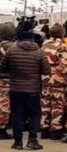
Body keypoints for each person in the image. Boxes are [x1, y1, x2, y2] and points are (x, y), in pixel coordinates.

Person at [1, 19, 50, 150]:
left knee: (17, 114)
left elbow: (3, 69)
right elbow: (46, 70)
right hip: (33, 89)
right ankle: (32, 140)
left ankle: (18, 142)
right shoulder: (39, 52)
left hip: (15, 88)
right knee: (35, 114)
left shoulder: (11, 51)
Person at [39, 23, 67, 140]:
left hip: (45, 78)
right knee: (57, 104)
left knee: (45, 103)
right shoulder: (62, 46)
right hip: (57, 79)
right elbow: (65, 64)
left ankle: (44, 128)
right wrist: (64, 75)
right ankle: (55, 129)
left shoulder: (44, 44)